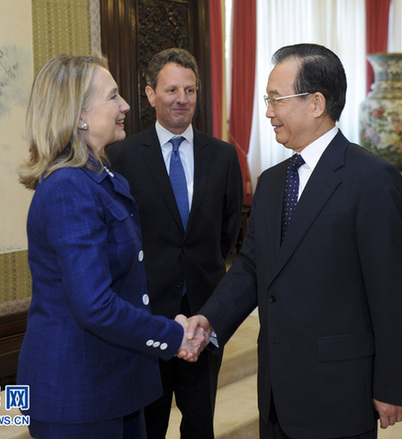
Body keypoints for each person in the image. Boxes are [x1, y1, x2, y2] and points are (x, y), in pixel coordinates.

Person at [184, 43, 402, 439]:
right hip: (276, 388)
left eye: (276, 100)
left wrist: (393, 384)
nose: (269, 111)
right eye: (267, 100)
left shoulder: (371, 179)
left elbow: (391, 292)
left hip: (339, 388)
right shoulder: (272, 182)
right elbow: (252, 267)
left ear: (316, 103)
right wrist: (209, 319)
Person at [16, 54, 206, 439]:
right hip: (78, 393)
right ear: (79, 114)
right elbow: (95, 305)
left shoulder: (99, 177)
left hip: (113, 382)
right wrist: (171, 334)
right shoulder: (68, 188)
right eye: (113, 96)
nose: (125, 106)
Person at [107, 48, 243, 439]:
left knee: (200, 422)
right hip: (147, 316)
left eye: (190, 90)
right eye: (171, 90)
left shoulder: (223, 156)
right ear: (150, 94)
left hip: (204, 314)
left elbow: (227, 233)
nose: (182, 99)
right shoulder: (121, 156)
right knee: (149, 422)